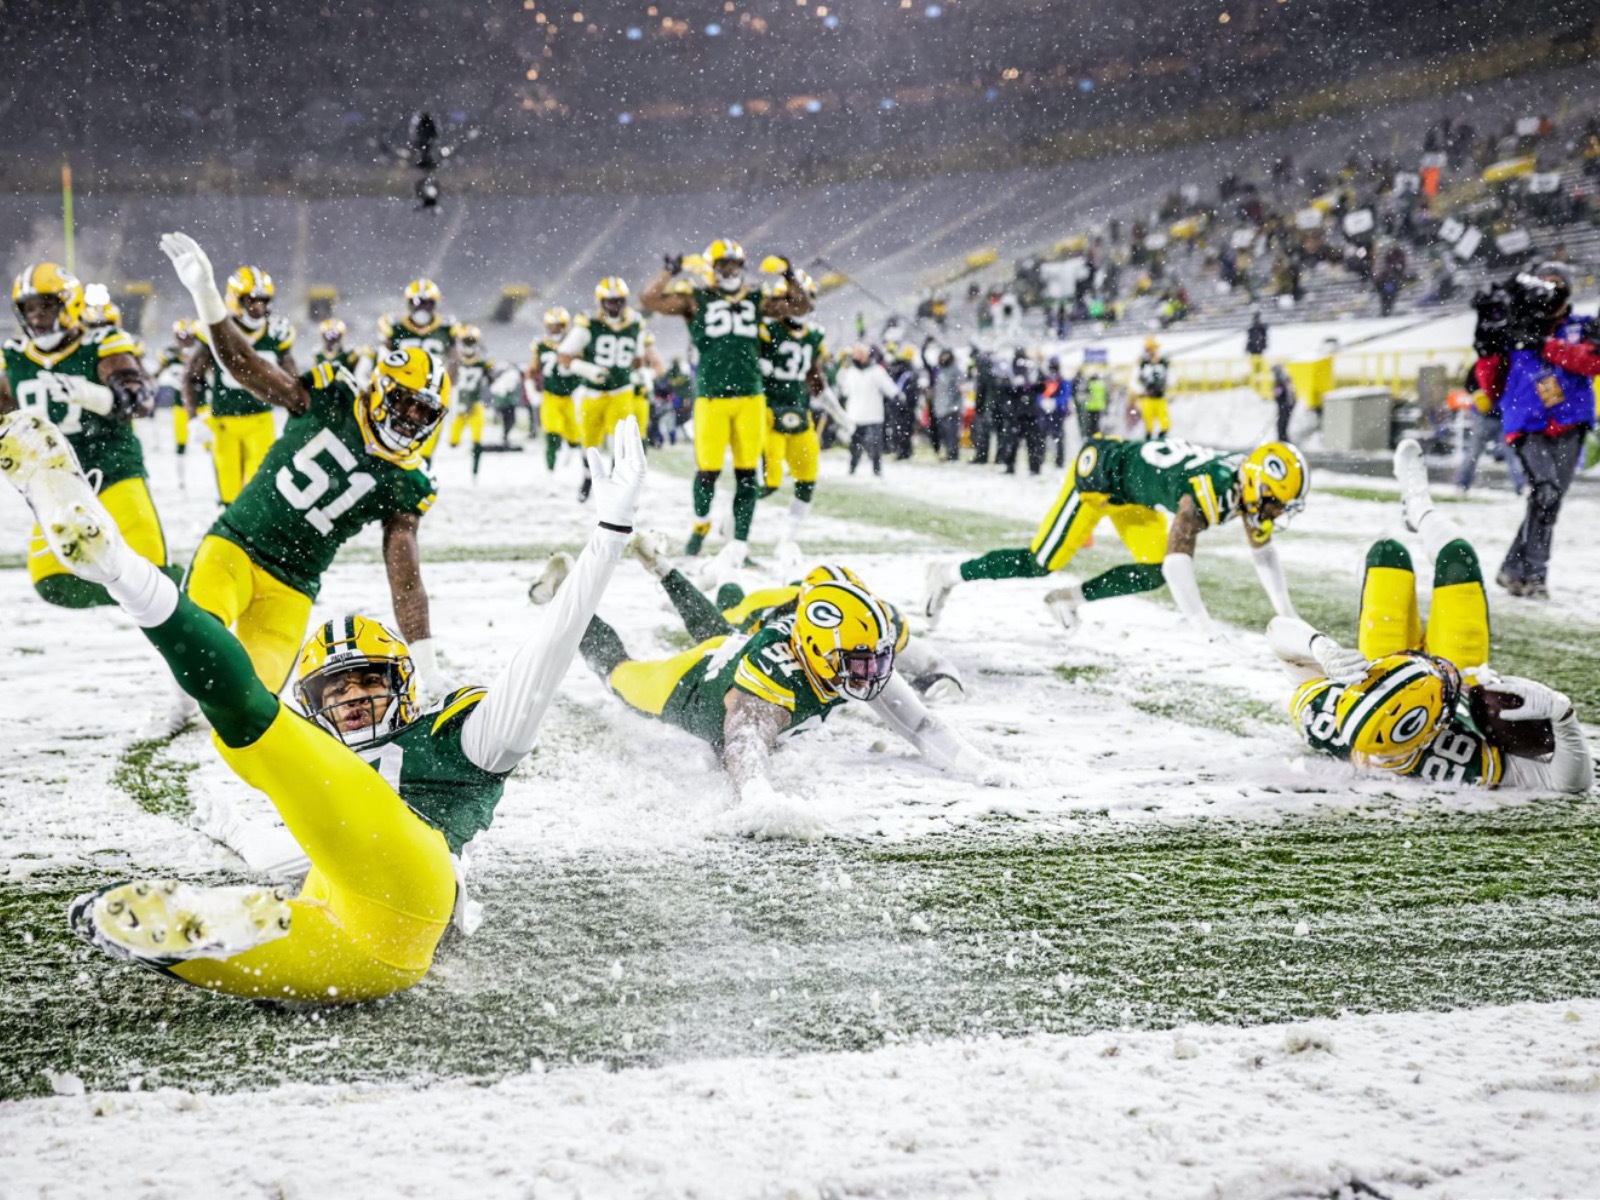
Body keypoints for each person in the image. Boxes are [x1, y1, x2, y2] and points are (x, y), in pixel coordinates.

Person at [0, 406, 646, 1002]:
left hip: (417, 888)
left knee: (244, 722)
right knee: (113, 918)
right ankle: (219, 920)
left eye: (368, 680)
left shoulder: (470, 737)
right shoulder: (325, 777)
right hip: (346, 933)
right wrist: (226, 824)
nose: (356, 698)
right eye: (335, 689)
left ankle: (121, 570)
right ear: (316, 704)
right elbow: (274, 847)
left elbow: (549, 649)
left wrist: (610, 534)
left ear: (403, 685)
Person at [161, 231, 447, 696]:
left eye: (424, 411)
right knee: (198, 652)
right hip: (235, 545)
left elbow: (407, 581)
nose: (412, 419)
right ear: (378, 390)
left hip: (293, 585)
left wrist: (426, 661)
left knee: (253, 699)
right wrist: (206, 294)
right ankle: (177, 702)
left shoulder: (405, 481)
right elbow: (242, 364)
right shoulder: (330, 398)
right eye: (404, 402)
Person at [572, 557, 1008, 833]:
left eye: (875, 658)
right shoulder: (777, 671)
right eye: (860, 661)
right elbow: (744, 746)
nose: (872, 673)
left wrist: (980, 765)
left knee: (718, 631)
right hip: (691, 687)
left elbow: (918, 723)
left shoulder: (843, 657)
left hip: (736, 653)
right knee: (621, 676)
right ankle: (569, 601)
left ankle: (661, 565)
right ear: (819, 651)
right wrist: (761, 798)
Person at [1268, 439, 1590, 793]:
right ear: (1436, 728)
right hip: (1452, 686)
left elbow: (1278, 636)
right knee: (1458, 558)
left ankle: (1410, 513)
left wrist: (1319, 648)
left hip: (1385, 667)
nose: (1431, 661)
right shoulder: (1458, 762)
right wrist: (1563, 717)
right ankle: (1421, 508)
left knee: (1386, 554)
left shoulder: (1322, 716)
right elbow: (1568, 784)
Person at [924, 437, 1308, 638]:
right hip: (1101, 478)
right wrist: (1202, 626)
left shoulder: (1245, 485)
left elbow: (1262, 549)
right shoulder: (1211, 487)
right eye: (1276, 502)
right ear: (1257, 484)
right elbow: (1180, 560)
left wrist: (1287, 613)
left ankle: (1067, 601)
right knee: (1038, 562)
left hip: (1134, 493)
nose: (1275, 511)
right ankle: (947, 573)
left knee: (1154, 570)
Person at [640, 241, 811, 570]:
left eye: (734, 264)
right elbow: (649, 300)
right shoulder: (696, 298)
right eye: (724, 264)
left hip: (750, 395)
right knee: (708, 472)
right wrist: (669, 271)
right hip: (711, 396)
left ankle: (739, 542)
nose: (730, 271)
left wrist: (790, 275)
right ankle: (701, 523)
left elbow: (800, 306)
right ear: (711, 267)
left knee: (748, 474)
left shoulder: (755, 297)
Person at [1494, 263, 1598, 598]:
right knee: (1546, 493)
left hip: (1570, 424)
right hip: (1528, 425)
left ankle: (1515, 570)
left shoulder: (1581, 327)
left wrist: (1547, 345)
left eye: (1556, 285)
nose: (1548, 292)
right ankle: (1534, 574)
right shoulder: (1513, 328)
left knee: (1547, 500)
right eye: (1544, 284)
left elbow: (1592, 361)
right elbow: (1488, 372)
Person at [756, 271, 853, 565]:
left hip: (799, 414)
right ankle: (732, 526)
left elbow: (815, 381)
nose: (801, 305)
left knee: (807, 479)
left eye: (806, 299)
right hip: (767, 413)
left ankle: (786, 540)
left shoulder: (813, 336)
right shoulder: (765, 331)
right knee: (768, 482)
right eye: (794, 299)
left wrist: (839, 414)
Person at [183, 264, 296, 504]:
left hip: (260, 421)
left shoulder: (276, 333)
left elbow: (293, 381)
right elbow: (192, 377)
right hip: (224, 420)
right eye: (252, 301)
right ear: (236, 300)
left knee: (260, 490)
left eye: (263, 301)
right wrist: (194, 417)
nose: (258, 308)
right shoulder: (217, 331)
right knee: (229, 493)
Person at [559, 277, 649, 503]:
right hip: (592, 393)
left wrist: (640, 374)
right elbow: (564, 357)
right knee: (589, 442)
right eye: (608, 302)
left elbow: (638, 359)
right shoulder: (588, 324)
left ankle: (614, 482)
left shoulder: (635, 324)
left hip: (621, 391)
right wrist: (588, 369)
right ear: (600, 302)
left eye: (617, 301)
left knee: (620, 440)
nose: (613, 306)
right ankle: (589, 477)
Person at [528, 307, 581, 472]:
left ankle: (571, 455)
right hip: (550, 396)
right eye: (552, 326)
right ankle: (551, 474)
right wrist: (531, 390)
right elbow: (531, 370)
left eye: (559, 325)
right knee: (551, 434)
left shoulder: (575, 343)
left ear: (566, 326)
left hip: (572, 396)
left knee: (574, 438)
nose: (555, 329)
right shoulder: (541, 345)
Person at [837, 344, 898, 477]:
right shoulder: (850, 372)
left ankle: (877, 470)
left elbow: (890, 389)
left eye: (860, 353)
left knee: (875, 445)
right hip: (855, 415)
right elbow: (844, 390)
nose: (857, 356)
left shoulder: (877, 371)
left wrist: (897, 397)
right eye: (855, 353)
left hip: (873, 415)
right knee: (854, 446)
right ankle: (852, 469)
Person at [1133, 337, 1171, 440]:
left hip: (1160, 398)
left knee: (1165, 423)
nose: (1152, 352)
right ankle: (1148, 439)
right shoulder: (1142, 364)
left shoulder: (1163, 363)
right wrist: (1142, 391)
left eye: (1154, 349)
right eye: (1150, 350)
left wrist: (1165, 386)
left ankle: (1162, 438)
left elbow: (1171, 379)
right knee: (1148, 424)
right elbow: (1134, 381)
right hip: (1147, 399)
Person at [931, 349, 964, 462]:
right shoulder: (940, 370)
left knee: (952, 433)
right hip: (941, 407)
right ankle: (948, 453)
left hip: (951, 408)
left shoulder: (955, 370)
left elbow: (959, 388)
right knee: (944, 433)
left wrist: (953, 402)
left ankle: (953, 455)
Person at [1270, 364, 1297, 444]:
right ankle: (1283, 439)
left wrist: (1283, 405)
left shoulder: (1280, 380)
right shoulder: (1286, 379)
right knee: (1283, 423)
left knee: (1281, 424)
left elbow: (1278, 393)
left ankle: (1282, 440)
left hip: (1284, 406)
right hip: (1286, 406)